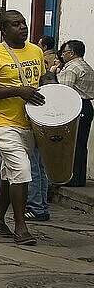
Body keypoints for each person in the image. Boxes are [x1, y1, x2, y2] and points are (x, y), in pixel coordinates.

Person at [0, 9, 46, 246]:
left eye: (23, 22)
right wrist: (17, 91)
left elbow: (43, 80)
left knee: (9, 173)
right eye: (16, 25)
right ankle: (21, 226)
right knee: (22, 170)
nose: (23, 27)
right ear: (4, 30)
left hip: (29, 123)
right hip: (3, 122)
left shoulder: (36, 51)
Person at [55, 40, 94, 187]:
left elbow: (64, 91)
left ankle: (70, 178)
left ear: (71, 53)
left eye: (64, 52)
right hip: (87, 106)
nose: (62, 55)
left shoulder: (72, 68)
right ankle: (79, 177)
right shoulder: (86, 66)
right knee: (81, 143)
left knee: (71, 143)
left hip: (75, 106)